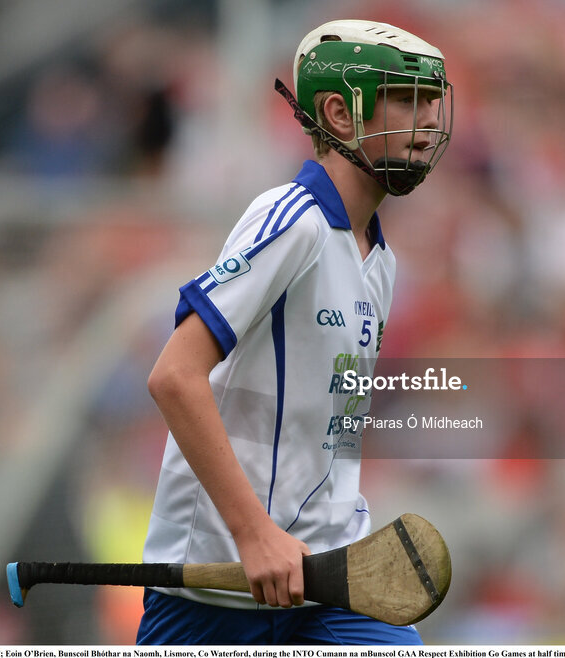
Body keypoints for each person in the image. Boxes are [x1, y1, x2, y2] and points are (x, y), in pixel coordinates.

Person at [136, 19, 453, 645]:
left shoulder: (380, 260)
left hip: (328, 577)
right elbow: (174, 376)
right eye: (405, 100)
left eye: (431, 102)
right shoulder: (293, 221)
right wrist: (254, 532)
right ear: (338, 113)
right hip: (218, 585)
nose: (427, 123)